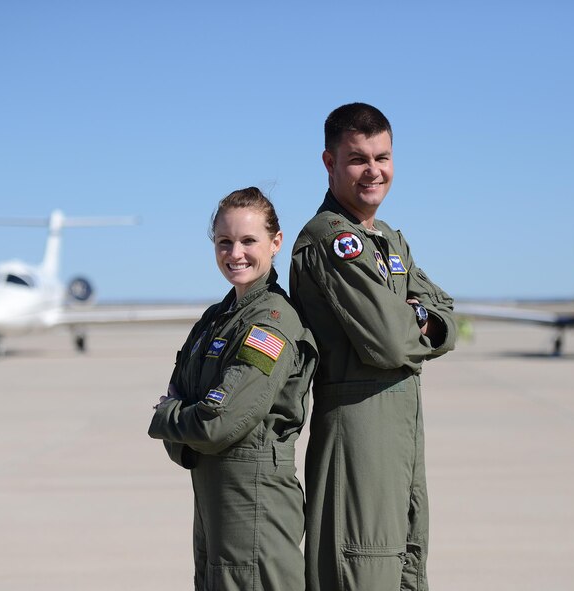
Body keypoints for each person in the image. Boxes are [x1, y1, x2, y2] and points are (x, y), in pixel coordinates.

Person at [289, 103, 456, 591]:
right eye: (358, 158)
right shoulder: (332, 241)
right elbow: (387, 342)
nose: (373, 171)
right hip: (358, 431)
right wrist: (414, 320)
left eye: (382, 157)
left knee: (404, 563)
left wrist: (420, 318)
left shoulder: (384, 239)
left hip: (399, 430)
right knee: (362, 569)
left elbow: (445, 312)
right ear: (329, 163)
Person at [149, 187, 318, 591]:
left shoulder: (272, 322)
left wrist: (166, 418)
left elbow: (217, 421)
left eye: (248, 241)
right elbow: (189, 403)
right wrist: (185, 430)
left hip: (253, 506)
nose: (235, 253)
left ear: (275, 243)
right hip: (214, 501)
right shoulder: (217, 319)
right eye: (224, 242)